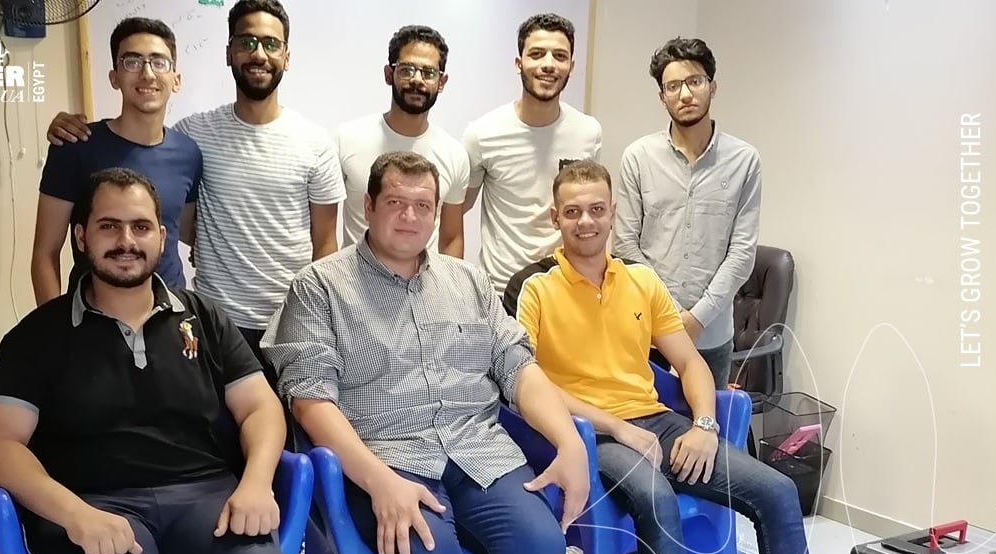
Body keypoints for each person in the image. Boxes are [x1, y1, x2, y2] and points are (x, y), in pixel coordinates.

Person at [261, 151, 590, 554]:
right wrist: (380, 482)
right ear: (368, 206)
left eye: (423, 205)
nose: (410, 217)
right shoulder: (319, 286)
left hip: (478, 450)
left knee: (540, 552)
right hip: (383, 459)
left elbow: (518, 366)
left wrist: (570, 443)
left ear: (438, 212)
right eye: (395, 202)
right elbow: (310, 401)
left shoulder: (468, 280)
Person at [507, 159, 842, 554]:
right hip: (593, 436)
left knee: (778, 492)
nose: (586, 221)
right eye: (573, 212)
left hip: (658, 422)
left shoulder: (641, 281)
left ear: (612, 213)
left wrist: (705, 425)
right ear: (555, 218)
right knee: (657, 499)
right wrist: (615, 427)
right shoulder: (537, 291)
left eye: (596, 209)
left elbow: (689, 364)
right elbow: (529, 384)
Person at [0, 167, 290, 554]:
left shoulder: (204, 317)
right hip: (95, 504)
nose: (126, 241)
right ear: (81, 237)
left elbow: (261, 407)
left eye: (141, 227)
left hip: (204, 498)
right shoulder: (38, 335)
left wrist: (257, 483)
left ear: (162, 237)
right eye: (109, 226)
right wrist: (74, 514)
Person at [44, 0, 345, 382]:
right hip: (209, 322)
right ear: (229, 53)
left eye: (271, 43)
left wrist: (321, 321)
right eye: (247, 42)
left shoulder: (313, 142)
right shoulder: (194, 135)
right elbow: (177, 218)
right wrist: (62, 125)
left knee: (288, 417)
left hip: (289, 324)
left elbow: (325, 245)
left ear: (286, 56)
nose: (258, 54)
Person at [613, 37, 762, 389]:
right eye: (673, 86)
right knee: (643, 420)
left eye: (695, 81)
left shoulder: (744, 161)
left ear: (713, 86)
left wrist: (696, 318)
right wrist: (671, 315)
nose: (685, 94)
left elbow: (742, 253)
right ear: (661, 96)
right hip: (648, 332)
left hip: (712, 335)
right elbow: (625, 245)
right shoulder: (638, 157)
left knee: (707, 421)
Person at [30, 17, 202, 305]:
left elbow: (184, 230)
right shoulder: (75, 145)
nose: (147, 73)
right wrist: (53, 326)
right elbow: (44, 254)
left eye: (159, 62)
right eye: (132, 62)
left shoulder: (188, 153)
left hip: (169, 312)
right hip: (94, 315)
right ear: (114, 77)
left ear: (176, 79)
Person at [463, 12, 602, 294]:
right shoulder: (483, 133)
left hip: (564, 289)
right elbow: (456, 209)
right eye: (537, 54)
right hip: (500, 292)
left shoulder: (587, 132)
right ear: (519, 63)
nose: (548, 64)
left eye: (560, 56)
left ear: (571, 66)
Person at [334, 25, 469, 257]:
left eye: (429, 73)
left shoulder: (454, 155)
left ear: (441, 82)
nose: (417, 80)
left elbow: (451, 239)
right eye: (407, 70)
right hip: (354, 278)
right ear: (389, 74)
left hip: (424, 279)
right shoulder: (347, 139)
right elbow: (324, 233)